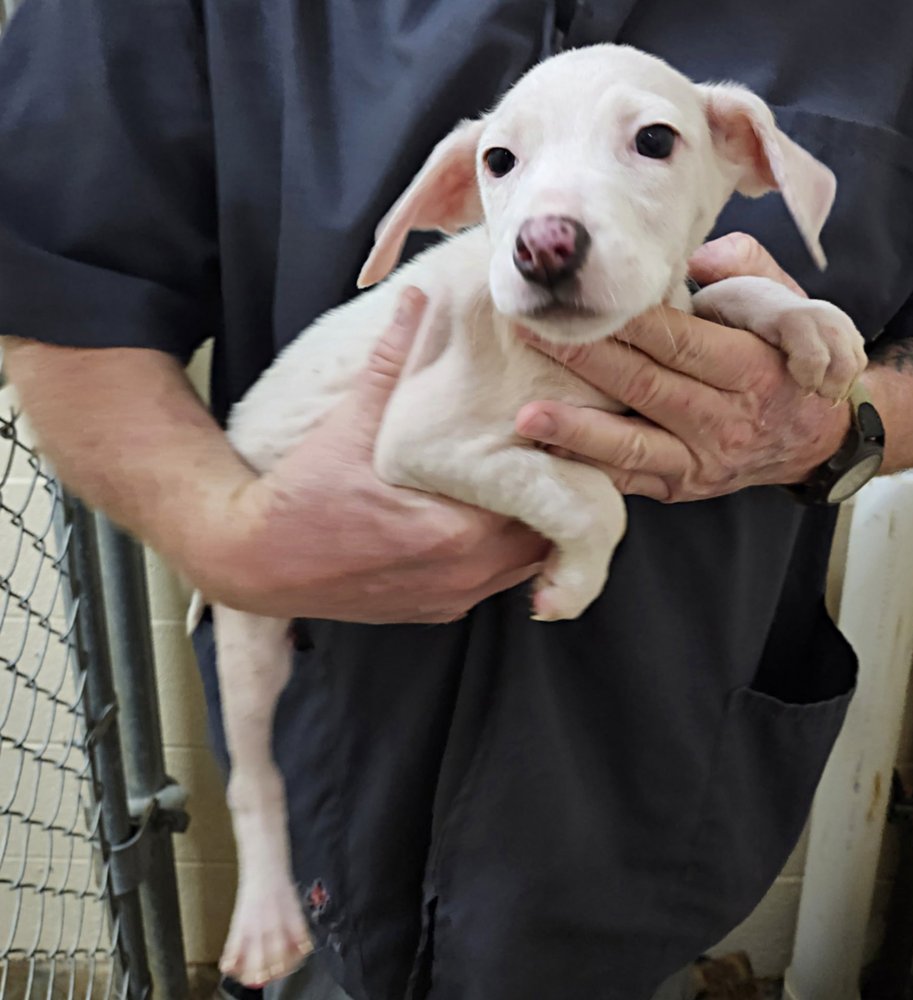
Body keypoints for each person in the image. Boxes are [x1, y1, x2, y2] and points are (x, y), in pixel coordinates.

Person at [1, 2, 912, 999]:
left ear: (745, 154)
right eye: (503, 168)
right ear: (455, 191)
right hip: (334, 766)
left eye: (650, 143)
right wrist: (222, 537)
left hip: (659, 779)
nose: (550, 231)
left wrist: (838, 421)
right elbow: (57, 283)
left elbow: (728, 309)